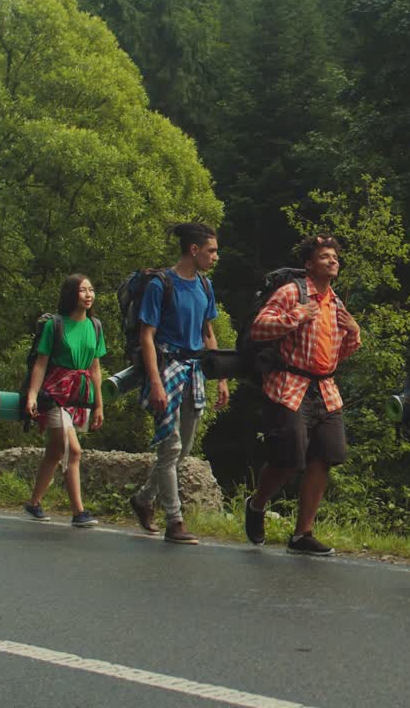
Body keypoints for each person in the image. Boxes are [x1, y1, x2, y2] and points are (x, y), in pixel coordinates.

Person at [243, 234, 361, 556]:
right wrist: (296, 315)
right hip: (289, 385)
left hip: (325, 389)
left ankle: (301, 535)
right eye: (325, 256)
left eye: (335, 256)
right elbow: (259, 328)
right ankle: (256, 505)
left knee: (326, 455)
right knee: (288, 459)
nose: (332, 260)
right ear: (309, 264)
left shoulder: (335, 302)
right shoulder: (291, 292)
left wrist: (354, 332)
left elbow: (338, 354)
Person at [129, 222, 230, 545]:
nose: (216, 256)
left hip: (195, 371)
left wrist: (222, 377)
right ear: (194, 250)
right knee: (170, 446)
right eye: (212, 251)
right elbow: (147, 336)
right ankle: (175, 520)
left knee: (183, 449)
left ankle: (144, 498)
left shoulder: (205, 286)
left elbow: (208, 333)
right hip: (167, 368)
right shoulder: (162, 285)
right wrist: (156, 383)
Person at [23, 274, 105, 527]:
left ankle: (34, 503)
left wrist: (99, 404)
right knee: (74, 450)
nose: (89, 295)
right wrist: (32, 395)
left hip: (79, 395)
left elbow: (95, 368)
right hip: (56, 392)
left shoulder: (96, 326)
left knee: (55, 450)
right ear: (72, 294)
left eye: (91, 290)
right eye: (83, 290)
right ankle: (79, 512)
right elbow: (41, 363)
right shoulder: (55, 325)